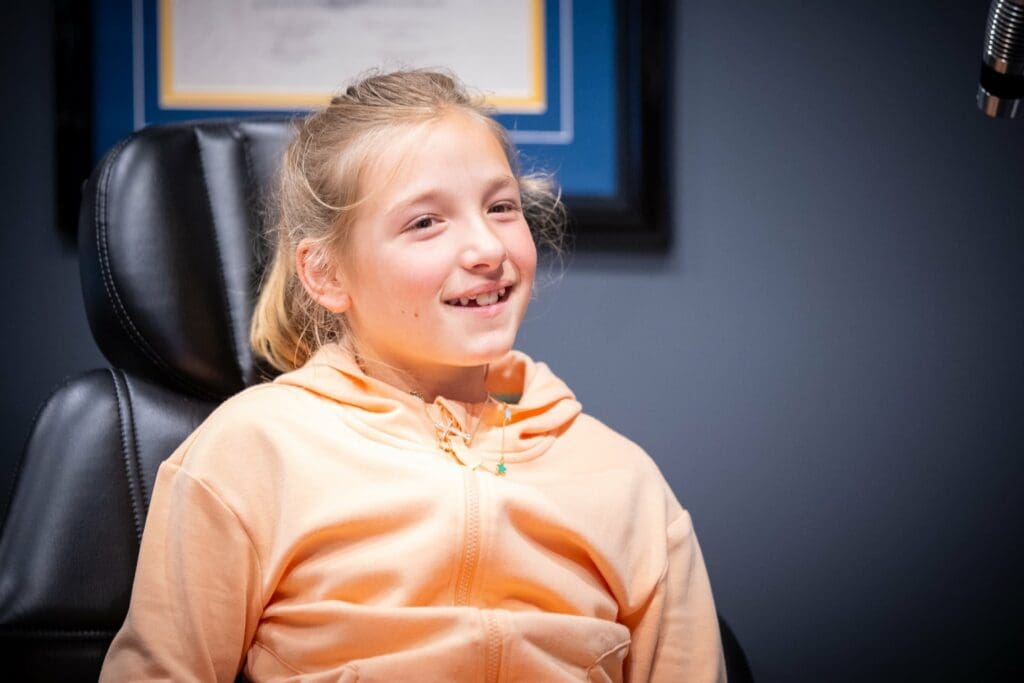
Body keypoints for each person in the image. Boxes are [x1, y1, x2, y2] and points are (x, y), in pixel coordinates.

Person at [99, 69, 726, 682]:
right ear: (326, 275)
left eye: (501, 206)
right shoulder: (249, 453)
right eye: (425, 222)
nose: (488, 249)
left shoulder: (627, 482)